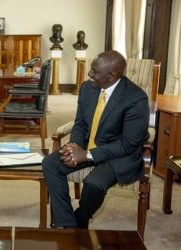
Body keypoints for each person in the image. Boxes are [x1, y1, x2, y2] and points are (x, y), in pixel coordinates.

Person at [42, 50, 149, 229]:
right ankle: (68, 225)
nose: (90, 74)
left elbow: (129, 143)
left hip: (118, 154)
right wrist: (75, 146)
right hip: (87, 146)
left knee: (94, 183)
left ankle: (81, 218)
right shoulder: (87, 88)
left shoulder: (136, 98)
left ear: (111, 75)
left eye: (95, 71)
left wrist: (87, 155)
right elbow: (81, 123)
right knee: (50, 164)